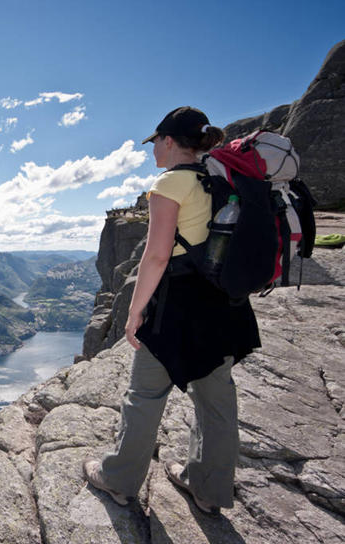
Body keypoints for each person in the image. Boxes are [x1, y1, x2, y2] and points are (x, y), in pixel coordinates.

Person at [82, 106, 261, 515]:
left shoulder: (170, 183)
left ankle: (120, 480)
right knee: (216, 400)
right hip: (224, 302)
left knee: (144, 395)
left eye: (155, 143)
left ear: (168, 140)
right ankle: (209, 489)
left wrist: (133, 313)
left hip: (178, 307)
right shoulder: (219, 177)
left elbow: (158, 255)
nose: (152, 151)